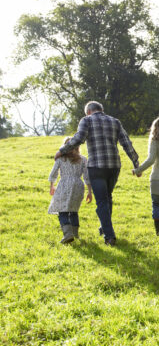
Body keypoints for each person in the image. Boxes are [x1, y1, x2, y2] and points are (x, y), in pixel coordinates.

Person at [55, 101, 139, 246]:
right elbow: (126, 143)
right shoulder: (115, 121)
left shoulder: (86, 120)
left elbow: (78, 139)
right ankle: (104, 227)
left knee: (101, 200)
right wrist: (136, 163)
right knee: (107, 197)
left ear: (88, 111)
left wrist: (62, 150)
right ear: (102, 110)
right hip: (114, 166)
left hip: (96, 166)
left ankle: (109, 236)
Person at [48, 137, 92, 244]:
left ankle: (68, 234)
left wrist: (52, 185)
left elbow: (54, 173)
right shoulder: (83, 159)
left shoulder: (61, 159)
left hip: (64, 185)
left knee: (62, 210)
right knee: (73, 210)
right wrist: (89, 191)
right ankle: (75, 234)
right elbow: (87, 177)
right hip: (78, 185)